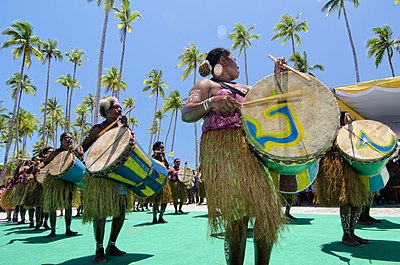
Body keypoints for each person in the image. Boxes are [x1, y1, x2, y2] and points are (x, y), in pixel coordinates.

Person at [182, 47, 284, 264]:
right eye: (234, 59)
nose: (237, 64)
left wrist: (278, 77)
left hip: (253, 151)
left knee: (266, 215)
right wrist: (211, 103)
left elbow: (271, 106)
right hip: (224, 152)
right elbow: (187, 112)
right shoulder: (207, 85)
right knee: (238, 218)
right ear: (223, 59)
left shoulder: (247, 88)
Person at [78, 96, 130, 263]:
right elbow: (83, 146)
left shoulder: (123, 127)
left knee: (121, 211)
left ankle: (111, 245)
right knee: (100, 212)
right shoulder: (96, 129)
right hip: (100, 176)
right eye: (116, 107)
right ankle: (99, 248)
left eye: (120, 108)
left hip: (119, 175)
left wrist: (124, 127)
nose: (119, 110)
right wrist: (78, 150)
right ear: (106, 111)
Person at [315, 111, 370, 247]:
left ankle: (352, 232)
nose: (349, 117)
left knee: (358, 201)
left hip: (352, 167)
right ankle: (346, 235)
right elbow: (324, 147)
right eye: (346, 115)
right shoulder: (329, 129)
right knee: (346, 201)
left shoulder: (353, 130)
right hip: (336, 166)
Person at [41, 132, 79, 238]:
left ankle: (68, 229)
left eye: (71, 138)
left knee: (68, 206)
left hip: (68, 181)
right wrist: (39, 166)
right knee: (53, 206)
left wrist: (75, 153)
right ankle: (52, 230)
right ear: (61, 140)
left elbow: (80, 162)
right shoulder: (55, 152)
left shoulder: (73, 152)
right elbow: (45, 162)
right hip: (55, 181)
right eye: (66, 138)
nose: (69, 140)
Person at [151, 141, 172, 224]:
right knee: (156, 200)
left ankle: (161, 217)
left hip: (165, 182)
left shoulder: (163, 158)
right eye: (161, 147)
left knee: (165, 200)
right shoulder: (153, 156)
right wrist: (157, 153)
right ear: (156, 148)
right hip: (157, 182)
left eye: (163, 147)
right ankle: (154, 217)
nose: (163, 149)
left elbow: (167, 167)